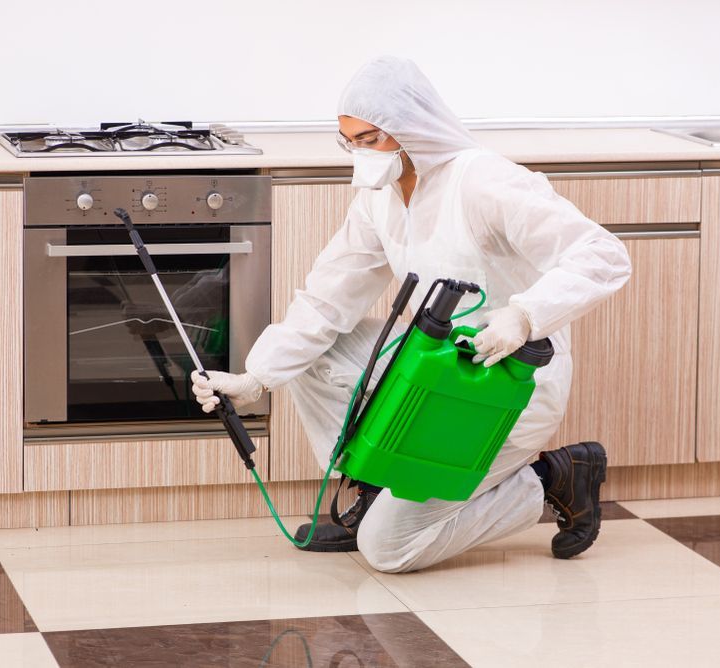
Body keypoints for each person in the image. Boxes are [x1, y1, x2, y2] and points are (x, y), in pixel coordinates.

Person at [192, 56, 632, 573]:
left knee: (388, 549)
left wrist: (524, 316)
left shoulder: (484, 181)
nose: (360, 154)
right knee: (321, 345)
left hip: (508, 384)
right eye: (349, 140)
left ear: (411, 129)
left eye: (370, 139)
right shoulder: (381, 194)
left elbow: (603, 254)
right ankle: (377, 484)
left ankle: (551, 478)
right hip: (437, 367)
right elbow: (327, 297)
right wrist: (256, 378)